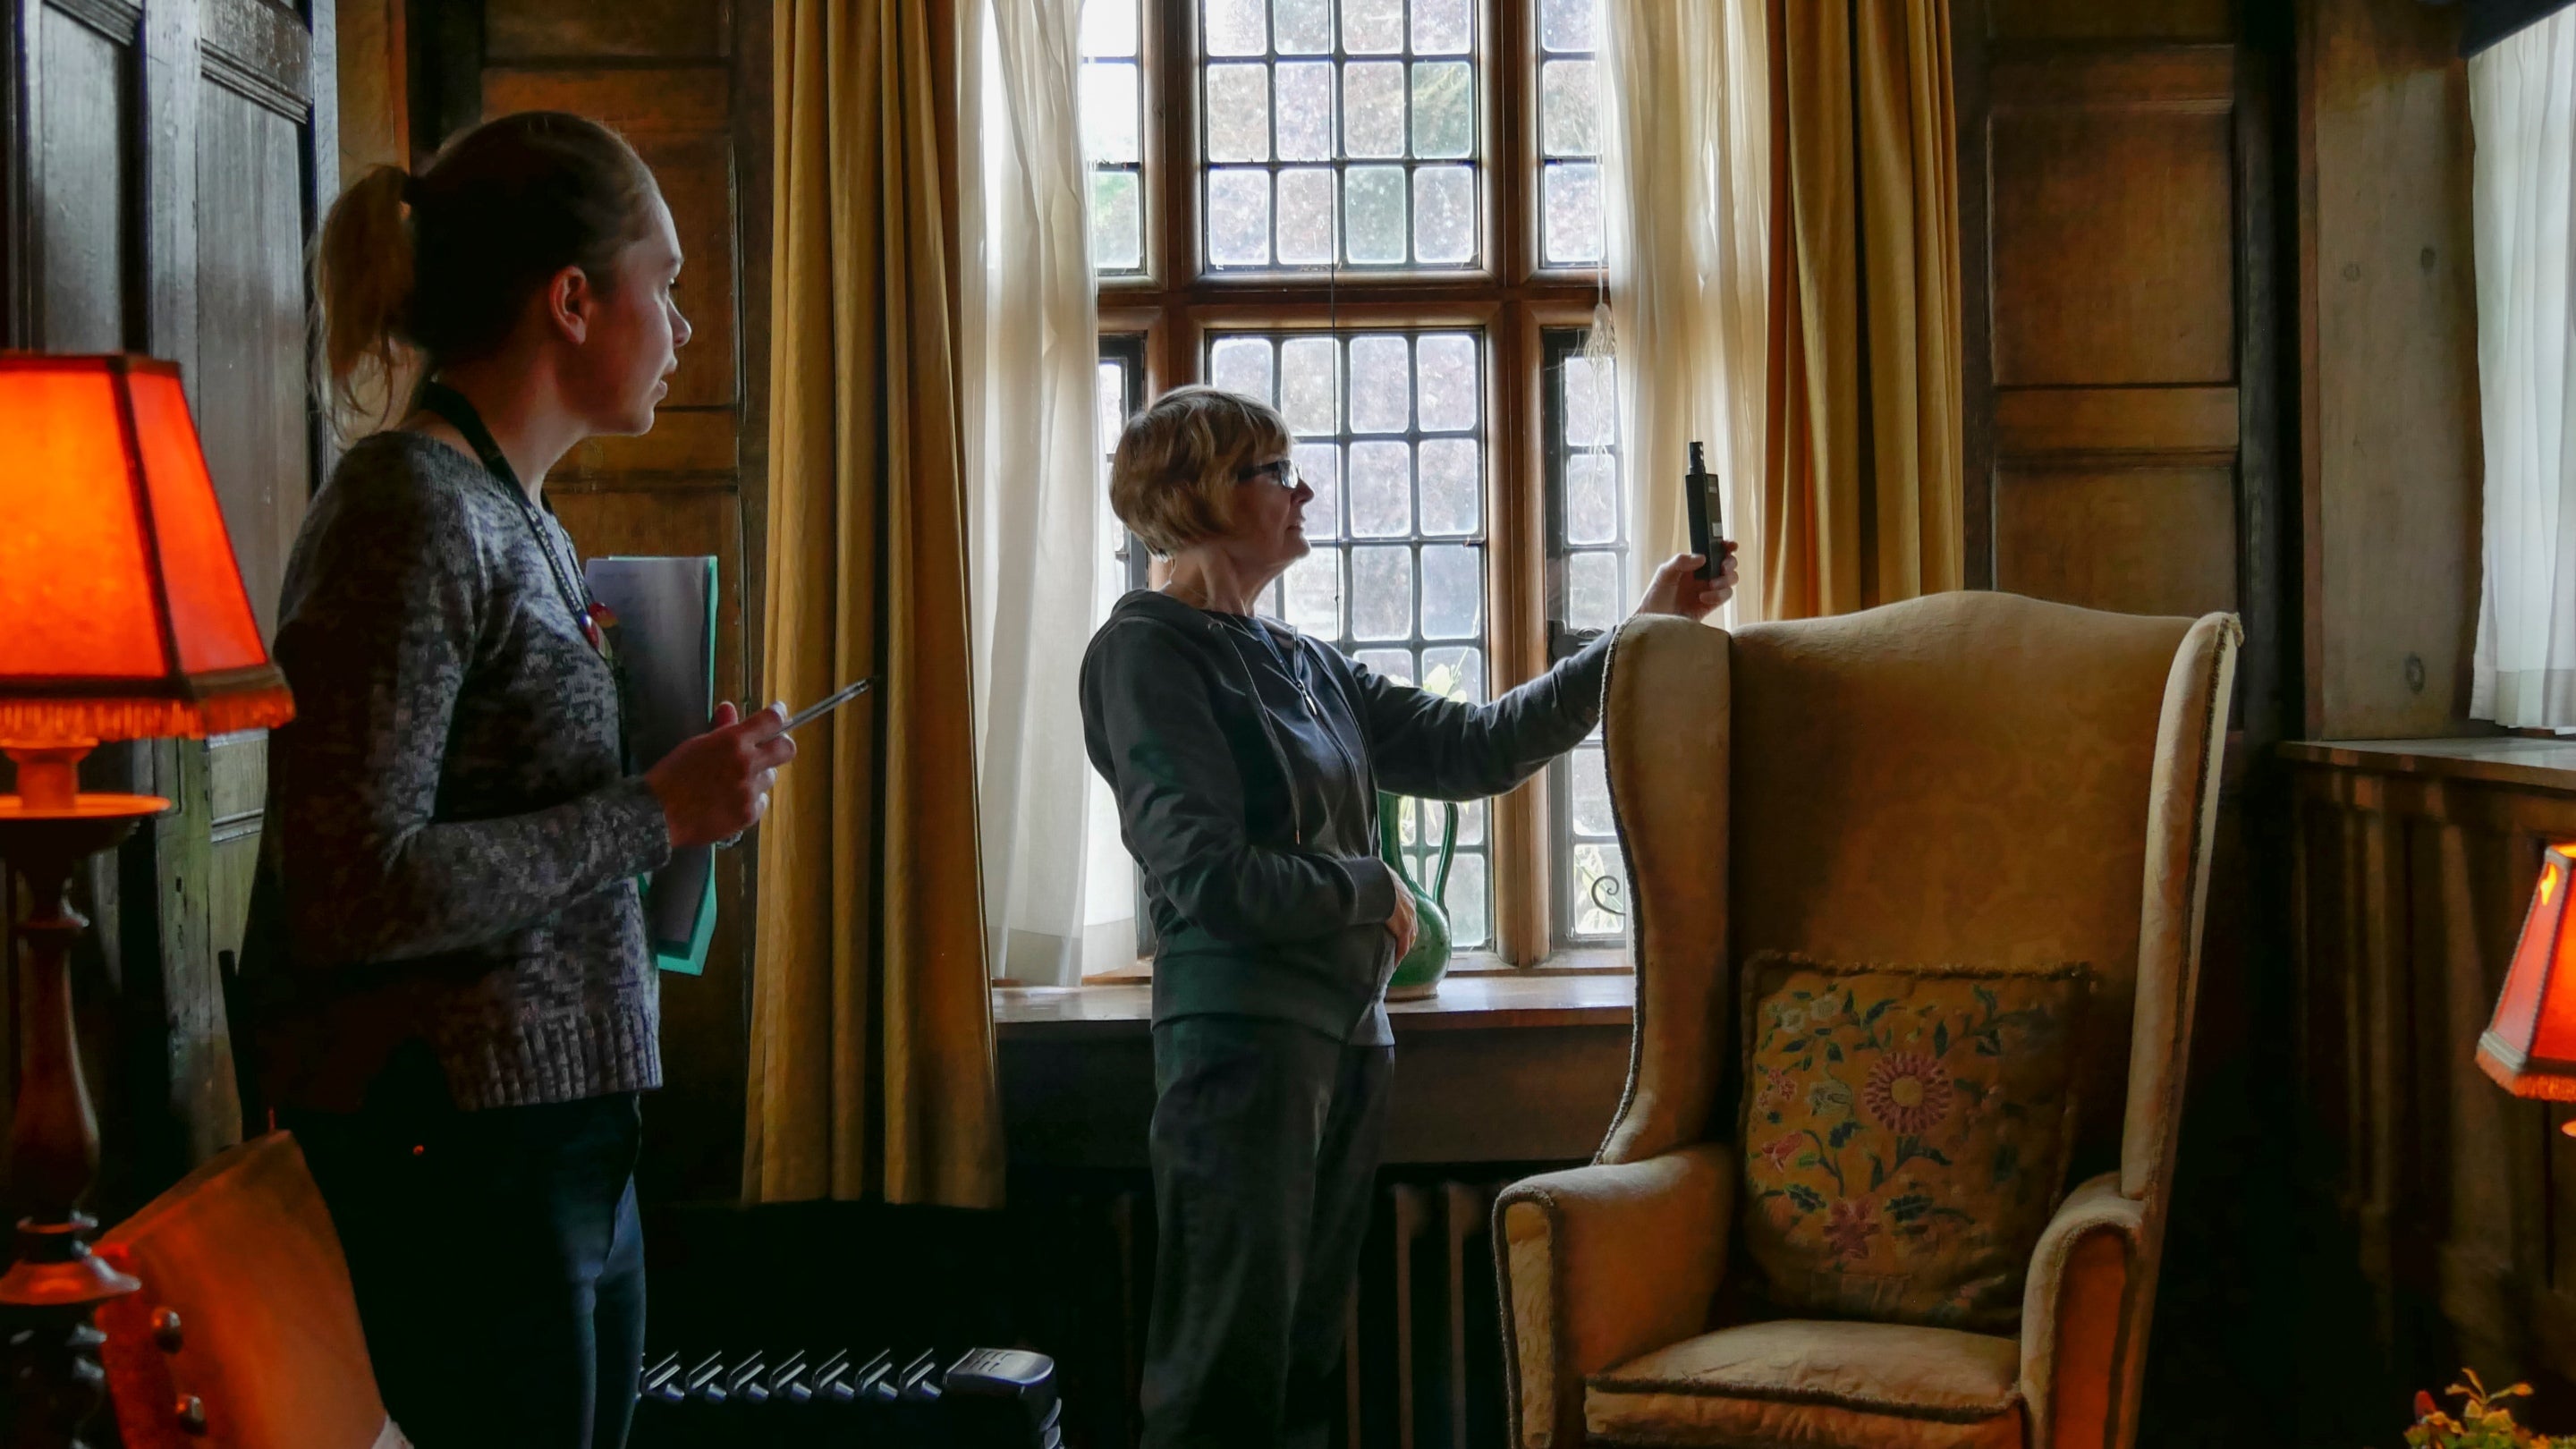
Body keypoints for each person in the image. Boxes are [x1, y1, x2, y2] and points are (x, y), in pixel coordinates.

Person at [239, 111, 792, 1449]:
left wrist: (667, 788)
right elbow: (352, 886)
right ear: (571, 300)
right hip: (459, 1155)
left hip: (564, 1131)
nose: (683, 327)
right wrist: (655, 811)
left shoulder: (520, 515)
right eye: (664, 285)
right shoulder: (406, 509)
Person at [1079, 386, 1738, 1445]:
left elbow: (1477, 746)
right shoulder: (1148, 653)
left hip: (1347, 1041)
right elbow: (1204, 881)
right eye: (1274, 471)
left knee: (1301, 1358)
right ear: (1198, 493)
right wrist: (1372, 889)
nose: (1304, 489)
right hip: (1241, 1050)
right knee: (1223, 1369)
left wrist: (1644, 631)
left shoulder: (1303, 662)